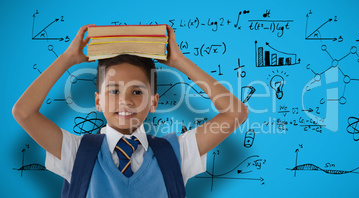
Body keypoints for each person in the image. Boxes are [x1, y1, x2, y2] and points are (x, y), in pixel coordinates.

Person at [12, 24, 249, 197]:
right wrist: (66, 58)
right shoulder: (76, 152)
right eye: (113, 91)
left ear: (154, 102)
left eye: (137, 92)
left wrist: (179, 62)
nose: (125, 102)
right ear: (97, 101)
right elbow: (24, 112)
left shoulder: (176, 154)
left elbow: (235, 114)